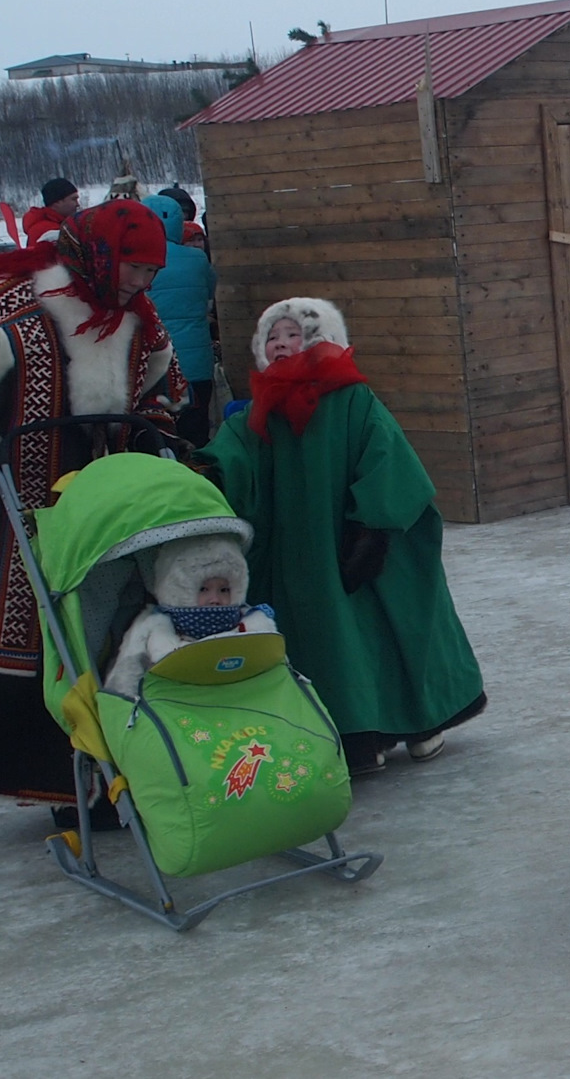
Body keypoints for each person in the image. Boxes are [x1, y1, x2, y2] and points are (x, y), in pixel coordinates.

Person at [0, 199, 188, 807]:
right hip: (0, 499)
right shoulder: (13, 305)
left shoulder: (138, 318)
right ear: (99, 257)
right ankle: (31, 775)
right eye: (133, 268)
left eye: (150, 273)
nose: (141, 283)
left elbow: (164, 385)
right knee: (26, 631)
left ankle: (96, 774)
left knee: (93, 627)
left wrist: (148, 432)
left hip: (98, 504)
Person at [199, 298, 486, 774]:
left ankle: (421, 720)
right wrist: (203, 470)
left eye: (294, 335)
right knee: (327, 645)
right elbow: (232, 457)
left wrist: (372, 528)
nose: (282, 344)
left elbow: (388, 458)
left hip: (357, 543)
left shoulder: (352, 398)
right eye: (273, 337)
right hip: (298, 553)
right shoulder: (259, 412)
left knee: (386, 629)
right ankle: (354, 733)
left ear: (318, 340)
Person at [103, 534, 278, 696]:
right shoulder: (155, 626)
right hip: (172, 708)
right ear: (179, 588)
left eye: (224, 590)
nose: (215, 599)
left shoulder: (253, 625)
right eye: (203, 589)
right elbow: (126, 674)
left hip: (239, 704)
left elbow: (276, 672)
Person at [142, 194, 218, 446]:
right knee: (196, 429)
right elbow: (210, 293)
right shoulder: (197, 259)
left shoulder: (137, 263)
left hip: (155, 366)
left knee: (160, 433)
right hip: (197, 365)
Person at [21, 177, 79, 245]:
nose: (78, 204)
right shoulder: (49, 232)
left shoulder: (60, 223)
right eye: (73, 199)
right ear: (57, 202)